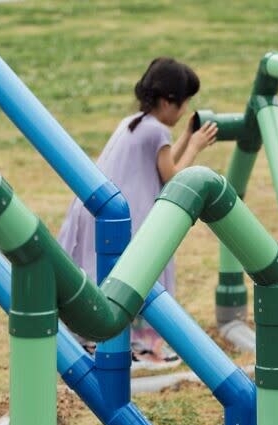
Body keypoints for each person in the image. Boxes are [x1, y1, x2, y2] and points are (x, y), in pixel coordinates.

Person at [58, 57, 217, 362]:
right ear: (166, 101)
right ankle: (139, 344)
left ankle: (95, 338)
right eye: (182, 103)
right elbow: (172, 179)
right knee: (138, 276)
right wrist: (195, 146)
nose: (184, 109)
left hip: (95, 211)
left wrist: (185, 136)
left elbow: (162, 167)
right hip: (129, 217)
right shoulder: (156, 131)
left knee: (104, 275)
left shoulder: (137, 123)